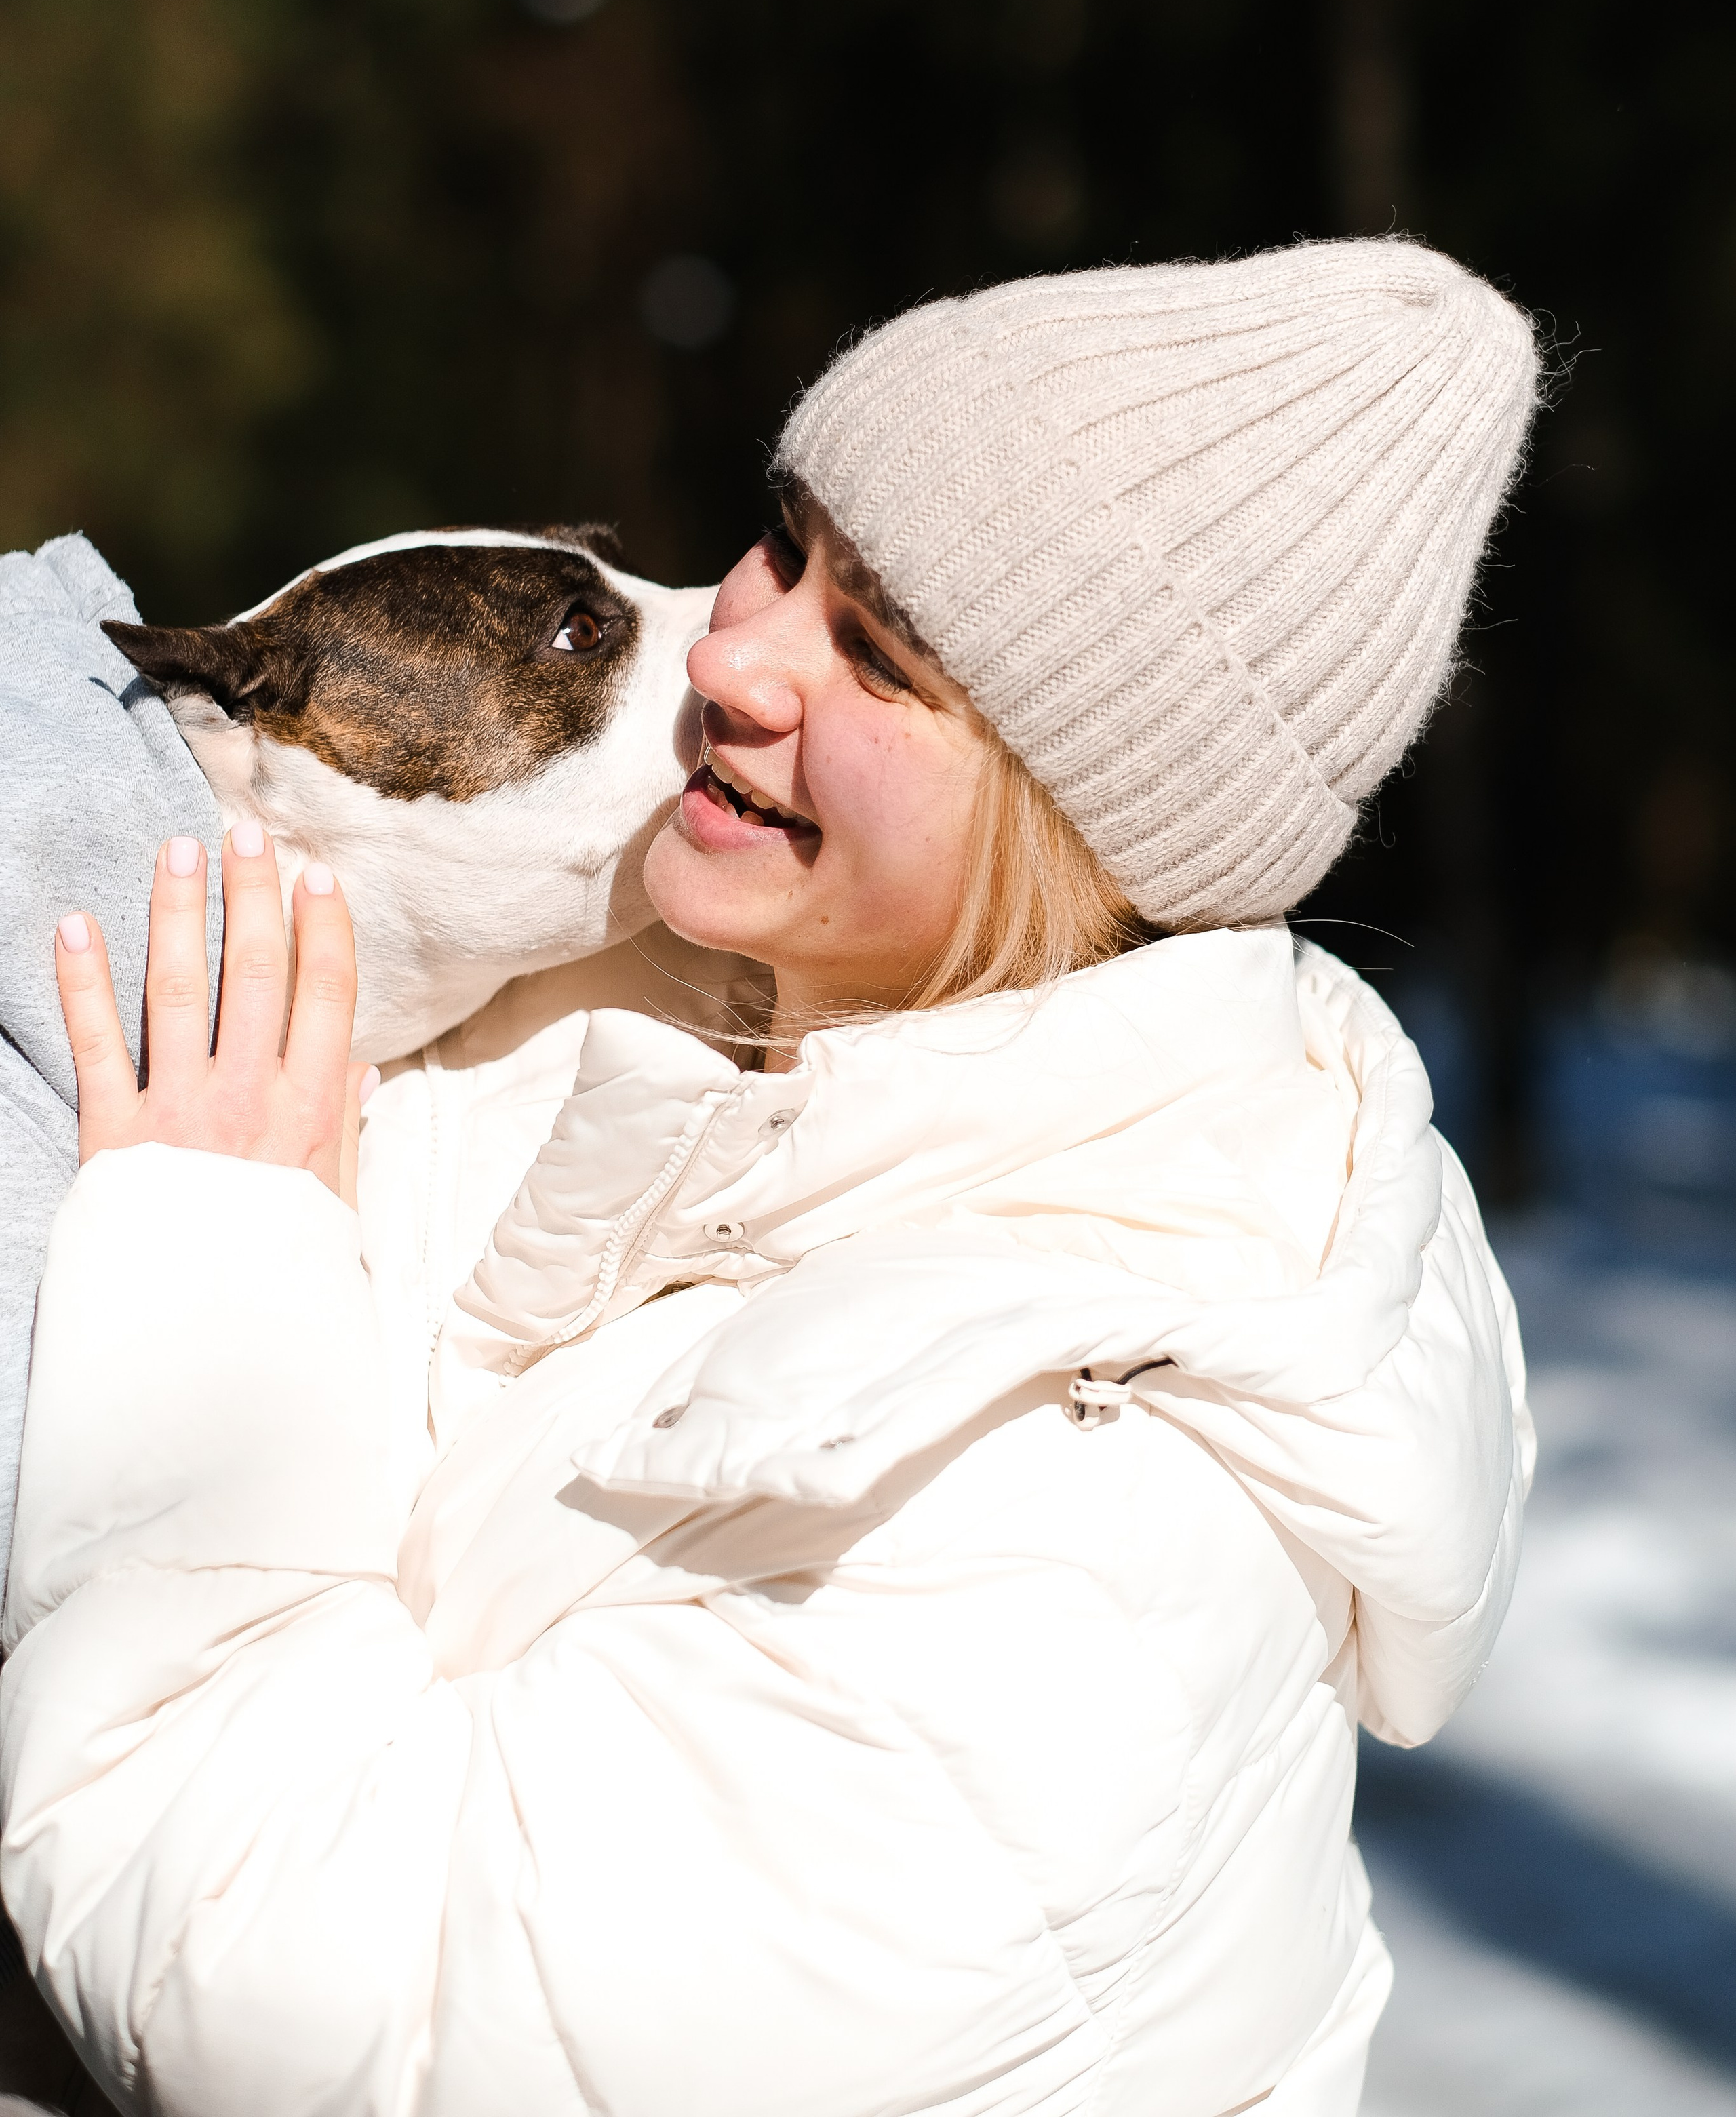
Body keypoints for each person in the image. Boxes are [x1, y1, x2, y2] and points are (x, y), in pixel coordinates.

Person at [3, 240, 1536, 2117]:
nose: (729, 653)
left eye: (874, 657)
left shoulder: (1072, 1535)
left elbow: (298, 2000)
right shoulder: (676, 1022)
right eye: (784, 545)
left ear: (1082, 828)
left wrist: (214, 1269)